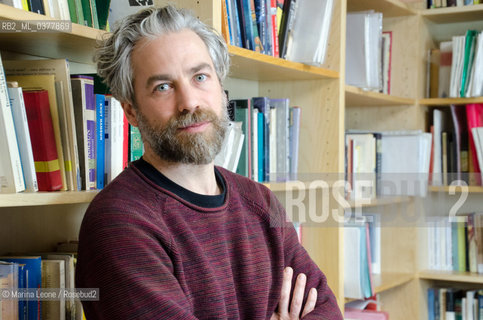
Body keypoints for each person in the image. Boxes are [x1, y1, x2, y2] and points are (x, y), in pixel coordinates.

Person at [75, 5, 342, 320]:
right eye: (163, 87)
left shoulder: (260, 201)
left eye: (200, 76)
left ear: (220, 87)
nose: (189, 102)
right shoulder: (120, 223)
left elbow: (326, 311)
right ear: (131, 110)